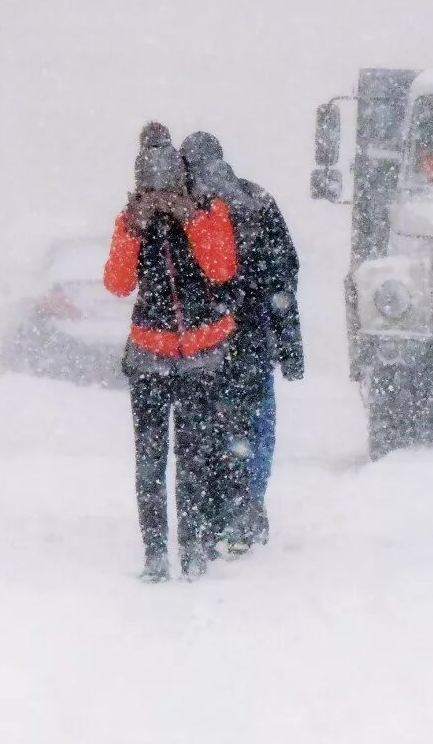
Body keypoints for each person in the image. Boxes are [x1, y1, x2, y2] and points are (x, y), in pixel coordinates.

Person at [104, 122, 240, 582]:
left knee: (194, 458)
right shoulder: (132, 221)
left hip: (201, 361)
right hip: (148, 360)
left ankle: (195, 547)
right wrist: (133, 228)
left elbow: (222, 270)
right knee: (150, 462)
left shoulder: (208, 210)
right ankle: (156, 554)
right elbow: (118, 284)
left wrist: (192, 218)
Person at [180, 131, 303, 554]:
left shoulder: (186, 207)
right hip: (253, 338)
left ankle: (210, 513)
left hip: (202, 340)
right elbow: (284, 275)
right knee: (256, 425)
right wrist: (289, 349)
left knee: (208, 426)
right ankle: (248, 505)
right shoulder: (257, 199)